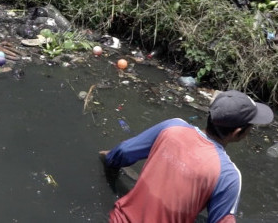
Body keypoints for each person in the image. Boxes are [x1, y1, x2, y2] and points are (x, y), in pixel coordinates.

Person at [99, 89, 274, 223]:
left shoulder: (172, 127)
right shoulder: (228, 175)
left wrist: (109, 159)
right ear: (237, 132)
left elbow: (123, 151)